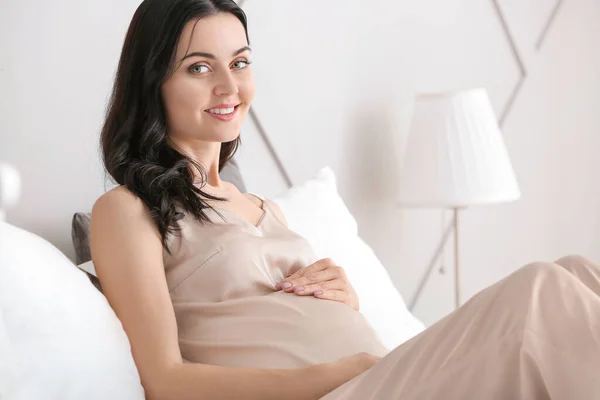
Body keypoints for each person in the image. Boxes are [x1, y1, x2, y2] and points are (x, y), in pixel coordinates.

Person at [90, 1, 600, 399]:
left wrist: (347, 305)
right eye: (200, 68)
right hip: (340, 391)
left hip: (385, 379)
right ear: (152, 80)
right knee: (541, 294)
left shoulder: (267, 209)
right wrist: (335, 373)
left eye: (240, 63)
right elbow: (163, 381)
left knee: (578, 271)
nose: (229, 86)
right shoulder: (128, 210)